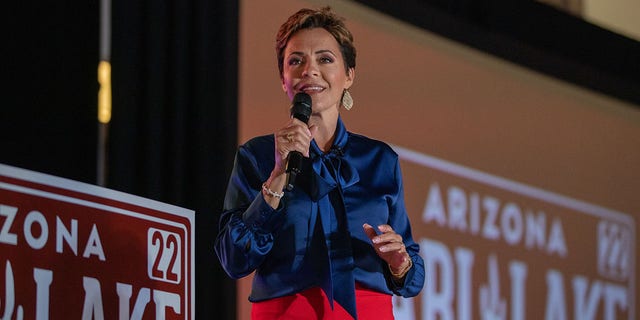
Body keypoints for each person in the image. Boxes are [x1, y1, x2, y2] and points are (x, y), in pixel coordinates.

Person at [215, 7, 425, 320]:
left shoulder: (380, 160)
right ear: (283, 78)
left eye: (325, 59)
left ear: (349, 75)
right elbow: (233, 258)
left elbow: (412, 275)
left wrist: (400, 264)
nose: (309, 70)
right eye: (295, 61)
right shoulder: (257, 155)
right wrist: (276, 178)